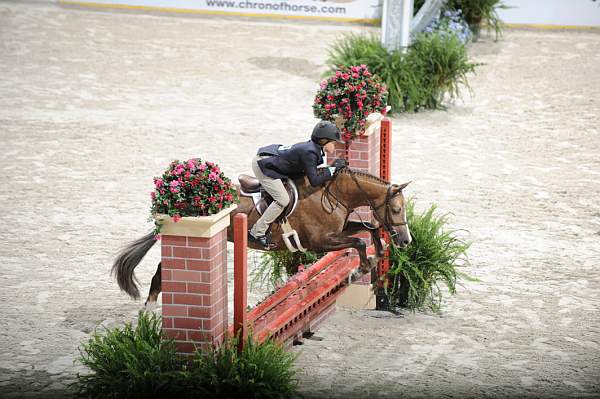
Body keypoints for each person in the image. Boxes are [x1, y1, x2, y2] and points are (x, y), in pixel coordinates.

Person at [248, 120, 347, 249]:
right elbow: (315, 180)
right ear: (323, 141)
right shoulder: (309, 152)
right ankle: (257, 232)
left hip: (274, 160)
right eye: (333, 142)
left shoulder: (313, 149)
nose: (334, 145)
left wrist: (330, 169)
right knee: (282, 199)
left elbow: (312, 171)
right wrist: (332, 169)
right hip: (264, 165)